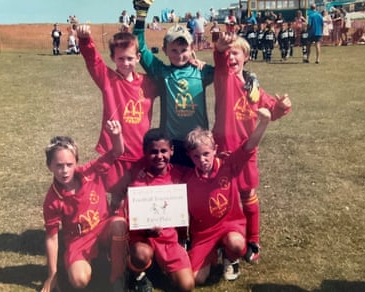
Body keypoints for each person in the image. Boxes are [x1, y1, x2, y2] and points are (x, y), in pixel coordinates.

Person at [212, 33, 291, 264]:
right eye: (229, 53)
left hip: (247, 149)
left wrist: (283, 106)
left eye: (235, 52)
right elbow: (219, 58)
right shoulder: (222, 75)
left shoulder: (253, 87)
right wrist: (221, 48)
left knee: (248, 193)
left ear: (246, 57)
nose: (231, 56)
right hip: (222, 148)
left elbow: (271, 111)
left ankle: (253, 240)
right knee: (221, 194)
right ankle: (221, 238)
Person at [185, 108, 271, 284]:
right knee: (196, 279)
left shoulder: (228, 165)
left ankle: (230, 257)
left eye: (206, 154)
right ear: (190, 157)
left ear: (215, 150)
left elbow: (249, 146)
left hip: (229, 225)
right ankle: (213, 253)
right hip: (204, 234)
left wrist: (263, 123)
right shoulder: (188, 180)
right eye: (196, 156)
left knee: (237, 244)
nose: (202, 160)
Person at [76, 25, 158, 208]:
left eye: (130, 58)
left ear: (138, 58)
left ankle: (136, 236)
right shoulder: (108, 80)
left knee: (139, 198)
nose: (126, 63)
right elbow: (93, 61)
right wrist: (85, 40)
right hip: (116, 153)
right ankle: (116, 233)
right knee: (118, 200)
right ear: (113, 58)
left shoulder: (149, 83)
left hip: (140, 152)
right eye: (121, 58)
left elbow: (171, 80)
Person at [41, 121, 128, 292]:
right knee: (79, 281)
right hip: (78, 240)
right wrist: (52, 275)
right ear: (49, 166)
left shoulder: (91, 171)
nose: (65, 171)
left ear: (76, 162)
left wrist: (116, 135)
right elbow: (51, 238)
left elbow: (117, 151)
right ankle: (96, 262)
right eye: (59, 166)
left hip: (103, 228)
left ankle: (117, 278)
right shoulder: (52, 200)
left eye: (69, 165)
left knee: (119, 224)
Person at [132, 0, 215, 167]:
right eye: (174, 50)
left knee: (197, 187)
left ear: (192, 48)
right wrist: (141, 16)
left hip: (198, 143)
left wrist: (250, 78)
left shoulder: (202, 71)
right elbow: (139, 46)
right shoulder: (161, 72)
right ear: (165, 50)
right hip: (172, 144)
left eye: (184, 50)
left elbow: (229, 72)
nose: (179, 55)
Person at [124, 129, 195, 292]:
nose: (159, 156)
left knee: (187, 286)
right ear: (145, 153)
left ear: (172, 150)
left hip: (169, 239)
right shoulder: (138, 183)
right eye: (153, 152)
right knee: (141, 254)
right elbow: (131, 218)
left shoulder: (179, 174)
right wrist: (146, 230)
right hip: (144, 239)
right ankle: (136, 274)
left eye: (163, 151)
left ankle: (157, 267)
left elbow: (202, 173)